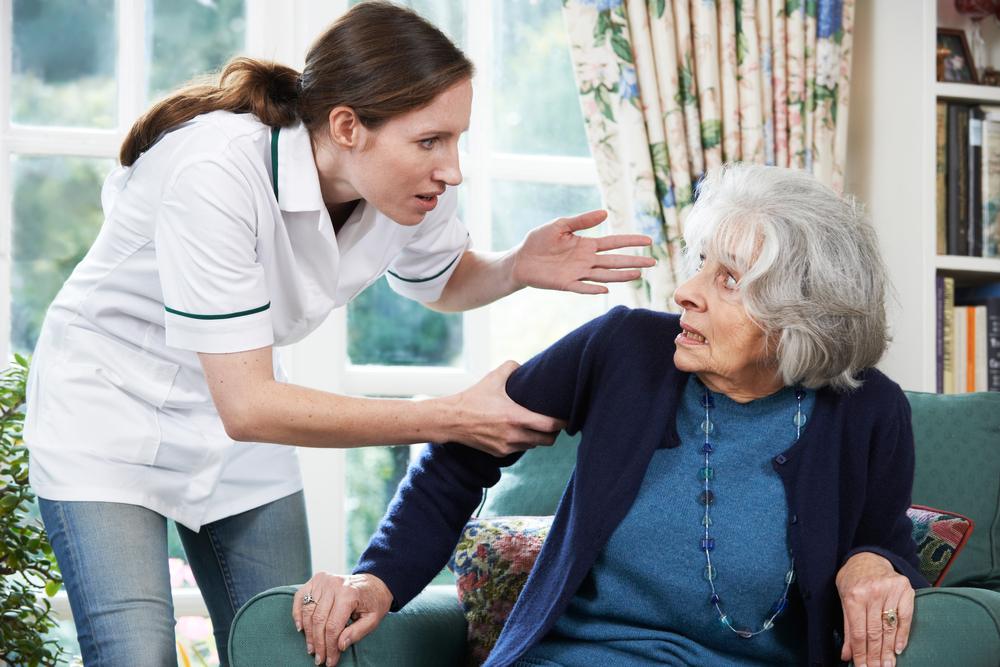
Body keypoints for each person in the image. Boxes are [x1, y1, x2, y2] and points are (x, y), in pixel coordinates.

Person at [22, 2, 656, 665]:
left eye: (457, 139)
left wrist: (516, 267)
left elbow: (441, 281)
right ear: (348, 126)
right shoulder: (215, 170)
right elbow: (249, 405)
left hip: (238, 419)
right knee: (137, 656)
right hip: (109, 416)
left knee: (291, 651)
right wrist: (451, 417)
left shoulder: (404, 188)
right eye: (431, 140)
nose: (453, 168)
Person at [296, 163, 928, 667]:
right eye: (700, 261)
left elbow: (884, 545)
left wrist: (875, 561)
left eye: (729, 279)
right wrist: (376, 577)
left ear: (803, 314)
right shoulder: (624, 349)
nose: (687, 290)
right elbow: (460, 452)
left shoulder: (868, 412)